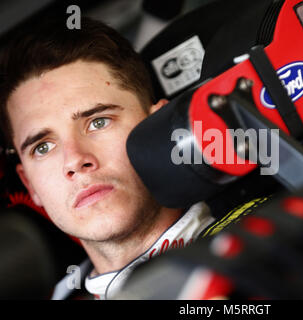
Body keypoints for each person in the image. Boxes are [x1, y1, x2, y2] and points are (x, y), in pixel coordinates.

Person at [0, 16, 216, 299]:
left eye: (98, 122)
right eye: (43, 147)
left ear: (164, 129)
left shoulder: (265, 246)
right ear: (30, 185)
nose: (75, 160)